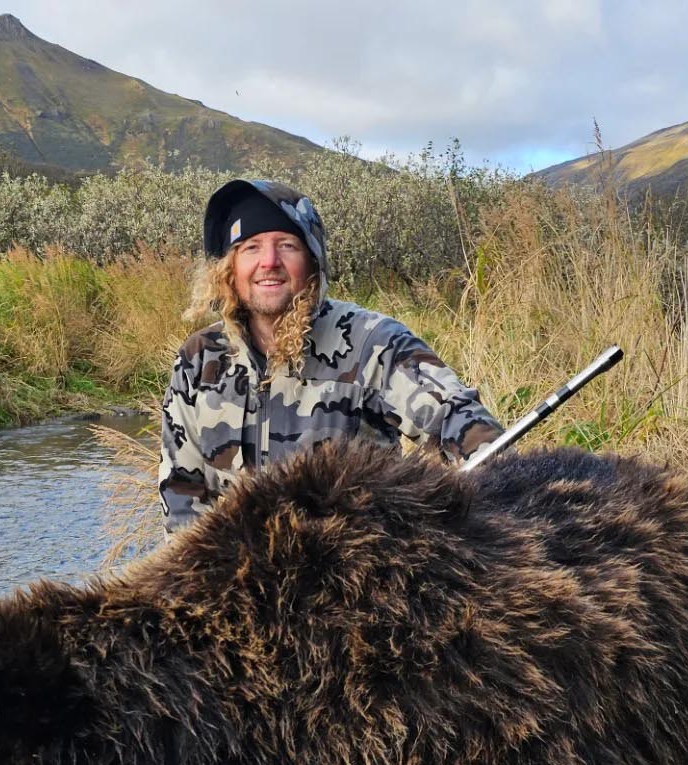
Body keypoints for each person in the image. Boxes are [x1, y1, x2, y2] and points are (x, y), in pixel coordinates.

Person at [158, 179, 503, 534]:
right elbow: (182, 495)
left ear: (312, 261)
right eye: (250, 247)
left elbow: (459, 420)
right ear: (228, 268)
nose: (269, 262)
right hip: (243, 580)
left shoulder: (372, 342)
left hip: (355, 577)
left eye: (287, 245)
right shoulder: (200, 359)